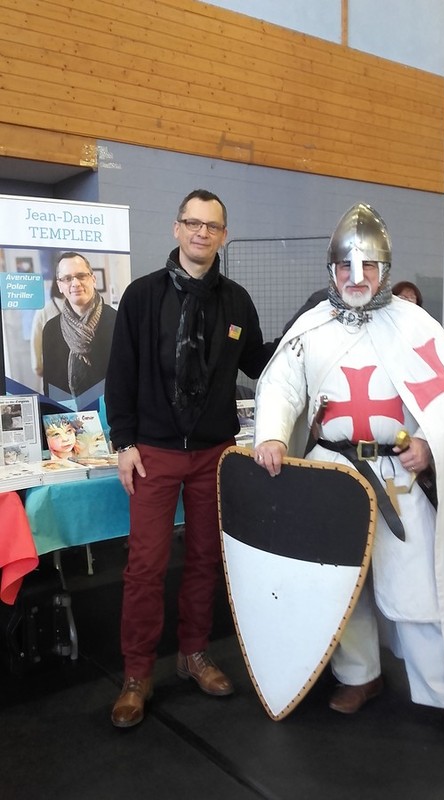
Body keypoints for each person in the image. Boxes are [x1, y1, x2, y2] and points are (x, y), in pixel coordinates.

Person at [253, 202, 444, 720]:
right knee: (342, 581)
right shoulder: (312, 327)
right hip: (331, 473)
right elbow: (280, 384)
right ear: (331, 270)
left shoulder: (415, 326)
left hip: (397, 476)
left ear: (385, 270)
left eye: (367, 267)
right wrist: (273, 435)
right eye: (346, 266)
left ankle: (439, 689)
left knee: (419, 583)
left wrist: (428, 442)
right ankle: (360, 676)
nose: (356, 277)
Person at [105, 188, 275, 728]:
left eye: (212, 226)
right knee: (145, 568)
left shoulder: (237, 303)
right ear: (176, 229)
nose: (202, 232)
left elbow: (259, 363)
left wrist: (312, 326)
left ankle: (193, 654)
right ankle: (136, 675)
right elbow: (122, 373)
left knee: (205, 560)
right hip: (153, 453)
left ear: (223, 235)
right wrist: (124, 444)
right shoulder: (141, 296)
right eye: (192, 223)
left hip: (213, 455)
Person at [42, 252, 117, 405]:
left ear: (93, 279)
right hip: (67, 423)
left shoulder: (118, 321)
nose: (75, 283)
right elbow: (50, 388)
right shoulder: (51, 329)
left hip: (111, 420)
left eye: (81, 276)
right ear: (60, 286)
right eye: (67, 278)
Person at [30, 275, 65, 379]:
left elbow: (35, 340)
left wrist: (37, 366)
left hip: (53, 370)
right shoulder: (82, 308)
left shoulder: (43, 310)